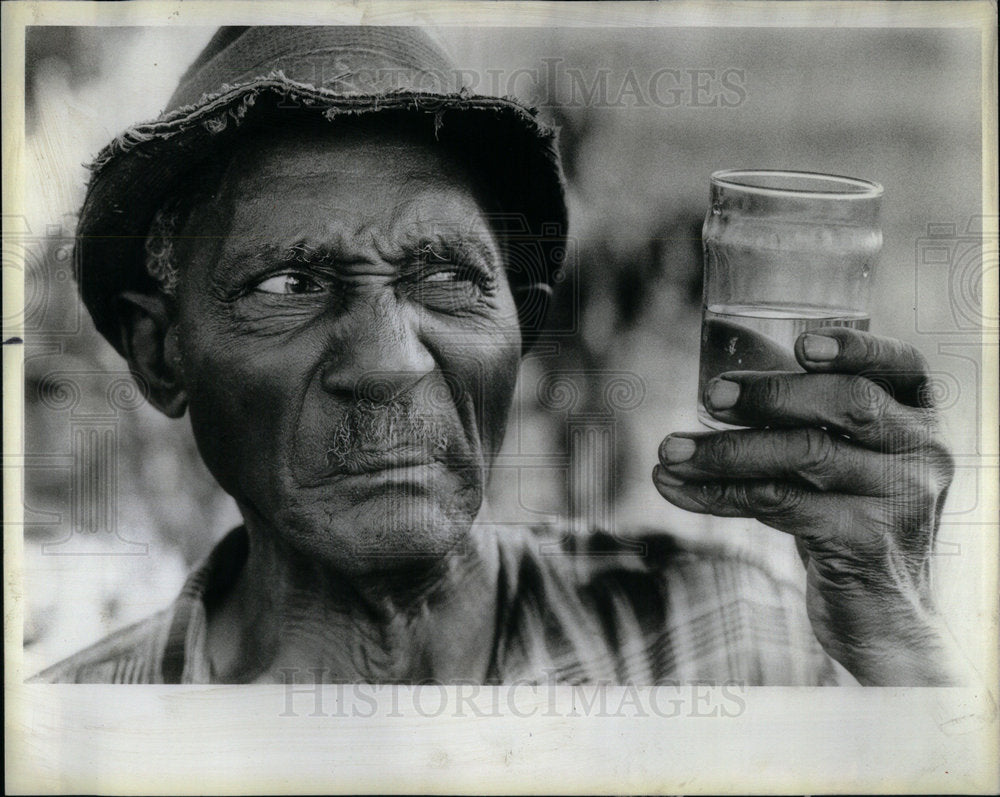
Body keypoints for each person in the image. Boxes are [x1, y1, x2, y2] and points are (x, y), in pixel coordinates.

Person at [33, 26, 968, 685]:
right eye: (288, 285)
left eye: (444, 276)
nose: (390, 361)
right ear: (163, 354)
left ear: (519, 328)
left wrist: (894, 638)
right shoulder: (83, 733)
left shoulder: (725, 635)